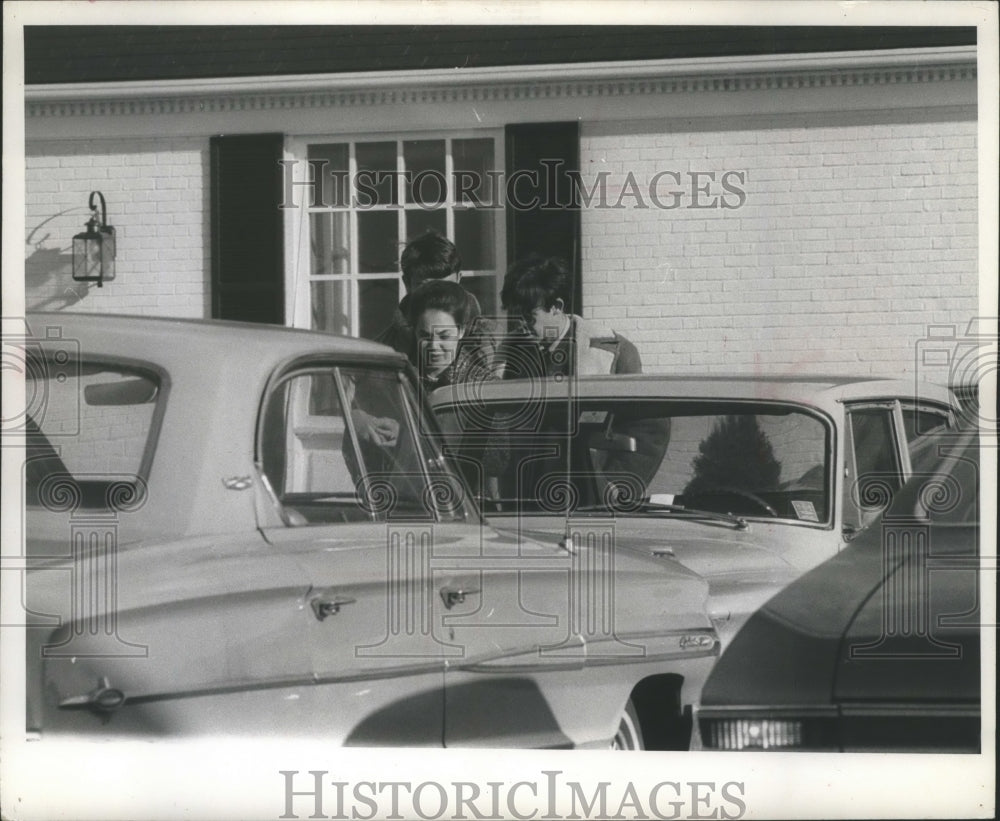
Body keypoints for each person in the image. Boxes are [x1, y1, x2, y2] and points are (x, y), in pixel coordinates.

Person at [497, 255, 642, 378]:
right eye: (515, 316)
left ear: (557, 307)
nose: (520, 326)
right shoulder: (509, 354)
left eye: (529, 317)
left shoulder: (618, 352)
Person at [375, 231, 487, 363]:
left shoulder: (491, 342)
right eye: (425, 288)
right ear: (407, 283)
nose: (435, 297)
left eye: (446, 287)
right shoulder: (384, 349)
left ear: (458, 279)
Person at [406, 280, 499, 393]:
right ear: (414, 331)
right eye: (425, 336)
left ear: (461, 331)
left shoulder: (486, 386)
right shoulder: (400, 381)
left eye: (444, 336)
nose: (434, 346)